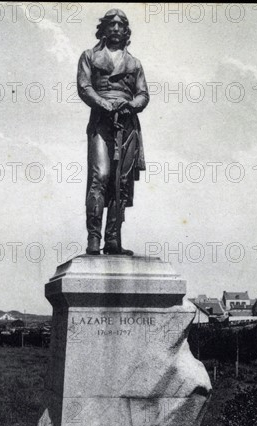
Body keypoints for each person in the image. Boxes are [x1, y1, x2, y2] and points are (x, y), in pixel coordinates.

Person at [77, 9, 149, 255]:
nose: (116, 29)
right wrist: (105, 103)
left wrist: (131, 105)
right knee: (101, 176)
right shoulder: (89, 56)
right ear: (104, 29)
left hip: (127, 124)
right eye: (112, 24)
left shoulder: (135, 63)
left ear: (126, 31)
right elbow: (85, 87)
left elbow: (143, 94)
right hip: (101, 121)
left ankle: (112, 240)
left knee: (122, 182)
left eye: (121, 25)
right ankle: (94, 239)